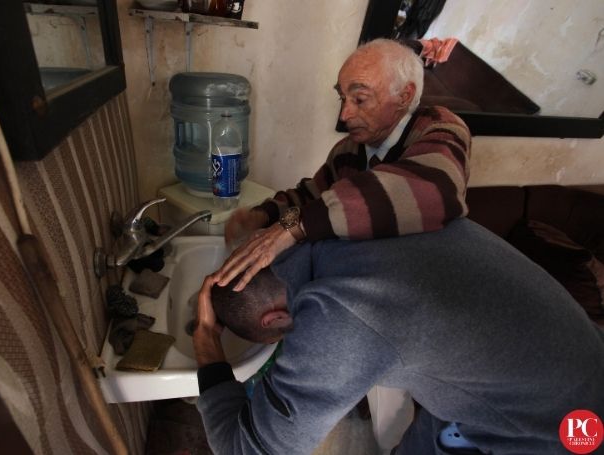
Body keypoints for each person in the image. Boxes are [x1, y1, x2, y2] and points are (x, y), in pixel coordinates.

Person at [193, 218, 604, 454]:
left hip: (565, 425)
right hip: (558, 357)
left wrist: (208, 344)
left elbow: (246, 448)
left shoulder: (340, 314)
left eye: (279, 341)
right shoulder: (346, 223)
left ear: (275, 319)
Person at [215, 38, 471, 292]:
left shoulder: (441, 127)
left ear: (404, 96)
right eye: (342, 98)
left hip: (417, 286)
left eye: (360, 99)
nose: (344, 115)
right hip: (363, 276)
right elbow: (313, 197)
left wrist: (294, 227)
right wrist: (263, 215)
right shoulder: (347, 150)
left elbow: (434, 191)